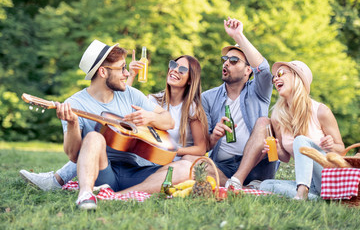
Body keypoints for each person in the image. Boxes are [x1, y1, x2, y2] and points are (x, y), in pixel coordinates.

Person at [22, 39, 194, 210]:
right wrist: (73, 124)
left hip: (136, 173)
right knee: (93, 137)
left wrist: (149, 117)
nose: (127, 74)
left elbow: (169, 121)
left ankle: (117, 197)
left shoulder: (131, 94)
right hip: (104, 174)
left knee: (186, 168)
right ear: (103, 72)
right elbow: (73, 155)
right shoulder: (75, 104)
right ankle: (86, 194)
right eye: (122, 68)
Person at [184, 17, 276, 189]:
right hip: (223, 167)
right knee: (190, 161)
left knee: (264, 122)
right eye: (225, 59)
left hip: (257, 166)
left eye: (234, 61)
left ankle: (238, 181)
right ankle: (235, 186)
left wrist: (238, 36)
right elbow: (203, 144)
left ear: (248, 70)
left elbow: (263, 69)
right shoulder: (208, 98)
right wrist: (214, 136)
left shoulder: (259, 91)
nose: (226, 63)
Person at [115, 55, 209, 194]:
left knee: (186, 168)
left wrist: (170, 150)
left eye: (182, 69)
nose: (175, 70)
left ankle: (122, 195)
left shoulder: (192, 109)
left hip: (175, 166)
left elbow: (201, 148)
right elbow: (121, 109)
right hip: (146, 163)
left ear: (190, 80)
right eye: (173, 65)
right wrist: (131, 76)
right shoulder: (152, 100)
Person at [259, 61, 345, 200]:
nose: (275, 79)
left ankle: (302, 194)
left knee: (301, 140)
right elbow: (285, 158)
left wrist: (331, 145)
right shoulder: (277, 116)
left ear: (297, 77)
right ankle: (315, 197)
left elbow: (341, 149)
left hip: (329, 177)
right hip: (309, 182)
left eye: (280, 73)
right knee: (265, 185)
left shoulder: (320, 111)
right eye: (274, 76)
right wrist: (277, 148)